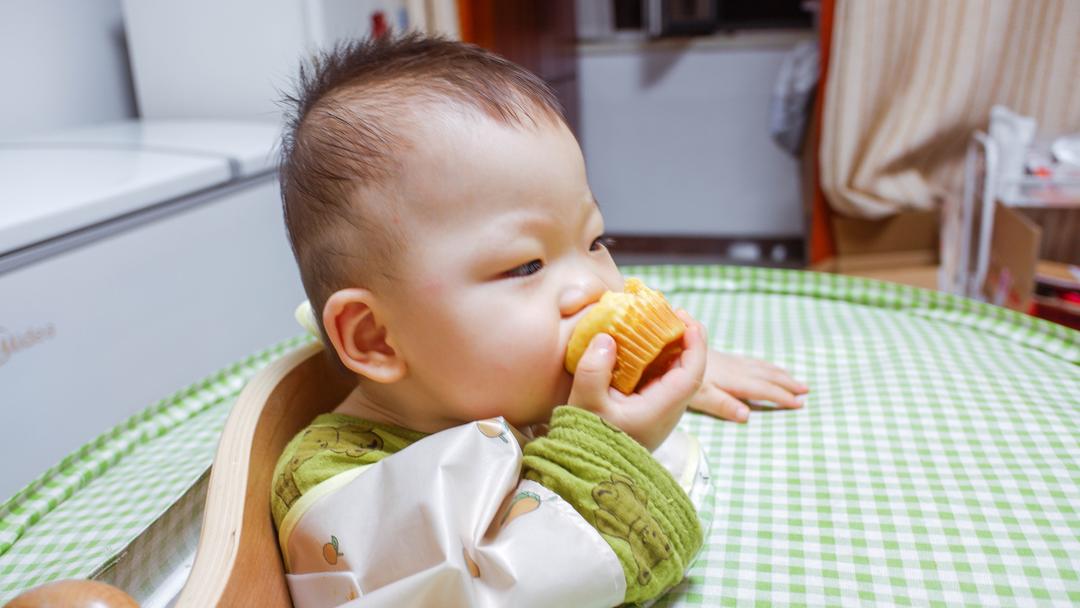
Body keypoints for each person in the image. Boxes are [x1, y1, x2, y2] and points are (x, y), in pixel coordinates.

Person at [272, 33, 808, 607]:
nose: (595, 287)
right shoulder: (342, 497)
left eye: (595, 239)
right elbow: (502, 589)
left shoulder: (463, 373)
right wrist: (607, 450)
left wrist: (656, 368)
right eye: (526, 265)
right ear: (376, 338)